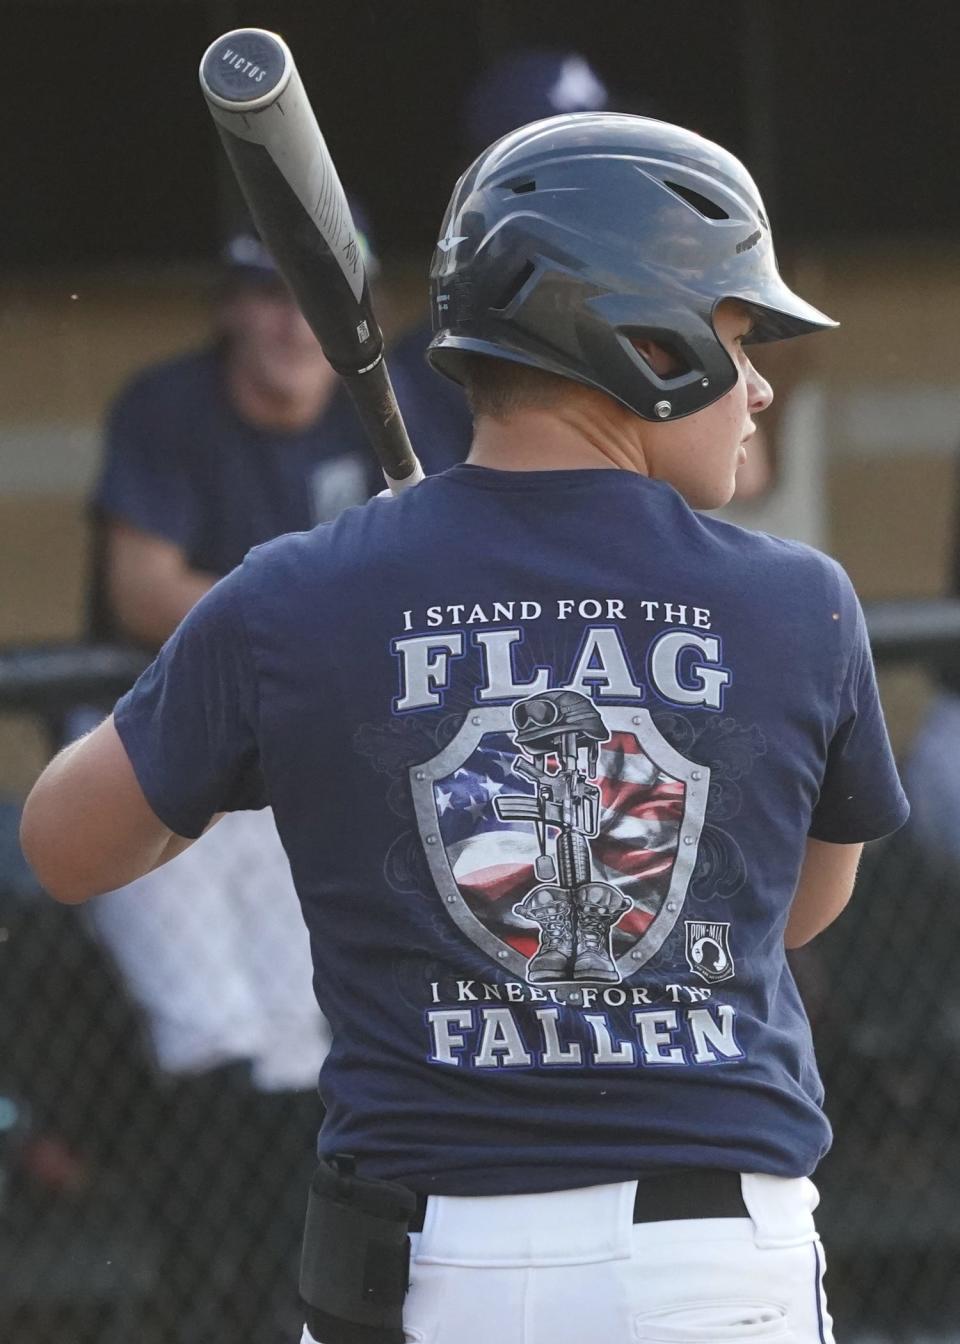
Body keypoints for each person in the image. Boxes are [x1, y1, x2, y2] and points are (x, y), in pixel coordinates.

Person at [22, 113, 909, 1344]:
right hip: (708, 1269)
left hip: (428, 1274)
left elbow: (68, 844)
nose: (758, 385)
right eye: (739, 335)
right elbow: (795, 909)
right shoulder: (797, 599)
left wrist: (289, 694)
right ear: (646, 343)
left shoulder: (295, 593)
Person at [73, 229, 382, 1343]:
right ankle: (195, 1302)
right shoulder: (168, 404)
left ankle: (275, 1301)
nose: (292, 324)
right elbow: (143, 588)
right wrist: (313, 619)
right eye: (267, 297)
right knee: (206, 1027)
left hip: (300, 758)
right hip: (157, 750)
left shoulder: (382, 407)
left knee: (302, 1032)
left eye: (311, 302)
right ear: (230, 311)